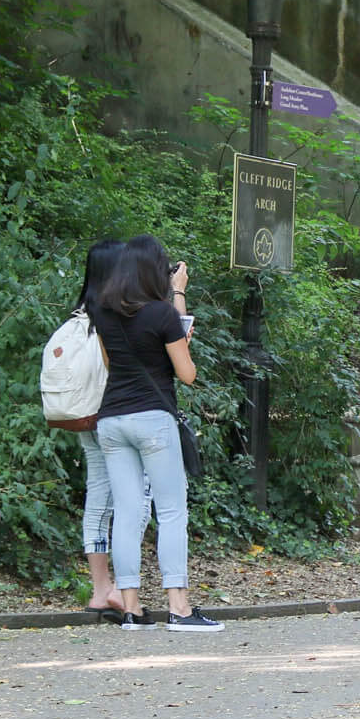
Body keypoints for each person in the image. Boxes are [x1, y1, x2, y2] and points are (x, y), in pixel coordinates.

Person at [92, 234, 218, 631]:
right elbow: (188, 374)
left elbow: (112, 365)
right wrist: (179, 328)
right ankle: (179, 608)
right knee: (171, 511)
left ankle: (132, 609)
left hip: (112, 421)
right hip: (153, 420)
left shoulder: (102, 311)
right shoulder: (163, 314)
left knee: (127, 514)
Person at [72, 239, 129, 620]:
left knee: (98, 498)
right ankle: (126, 591)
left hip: (82, 415)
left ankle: (99, 589)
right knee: (132, 500)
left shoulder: (78, 316)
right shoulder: (117, 314)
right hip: (115, 414)